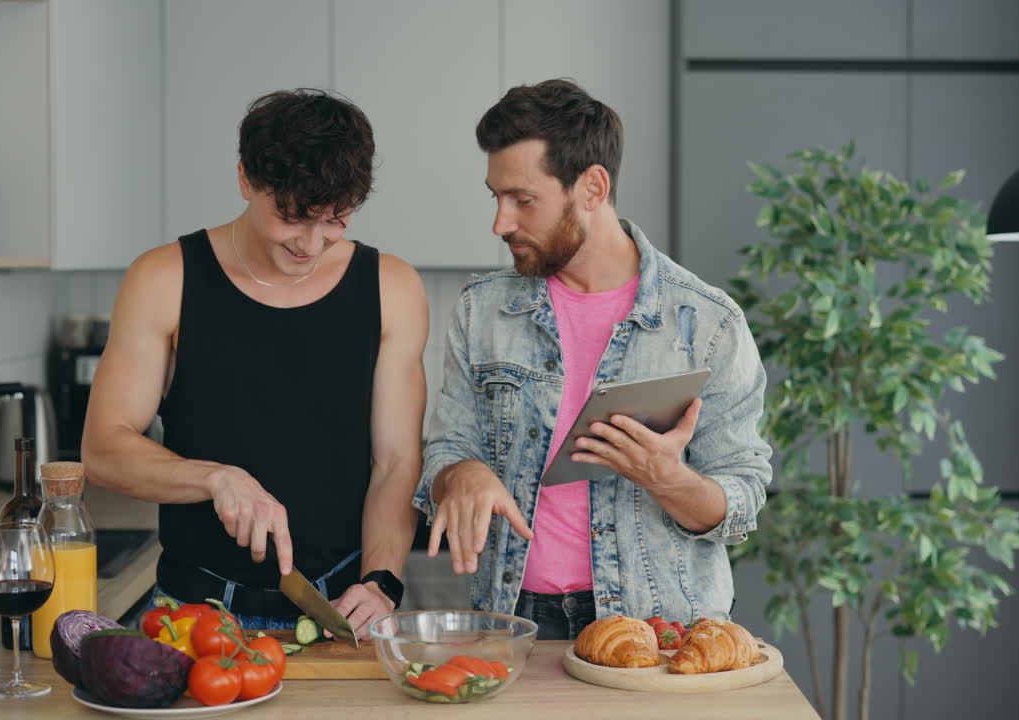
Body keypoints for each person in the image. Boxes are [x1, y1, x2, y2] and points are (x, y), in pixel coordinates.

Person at [413, 79, 772, 640]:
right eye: (496, 197)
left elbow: (742, 497)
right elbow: (446, 451)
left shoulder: (708, 322)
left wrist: (668, 479)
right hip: (514, 619)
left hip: (657, 628)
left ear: (592, 187)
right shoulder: (482, 310)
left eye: (523, 200)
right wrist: (461, 474)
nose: (501, 223)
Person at [84, 89, 428, 636]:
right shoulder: (165, 279)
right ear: (246, 179)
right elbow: (103, 451)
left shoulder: (391, 287)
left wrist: (380, 579)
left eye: (336, 220)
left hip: (340, 610)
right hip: (193, 611)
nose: (311, 243)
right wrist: (215, 478)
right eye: (292, 217)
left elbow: (396, 461)